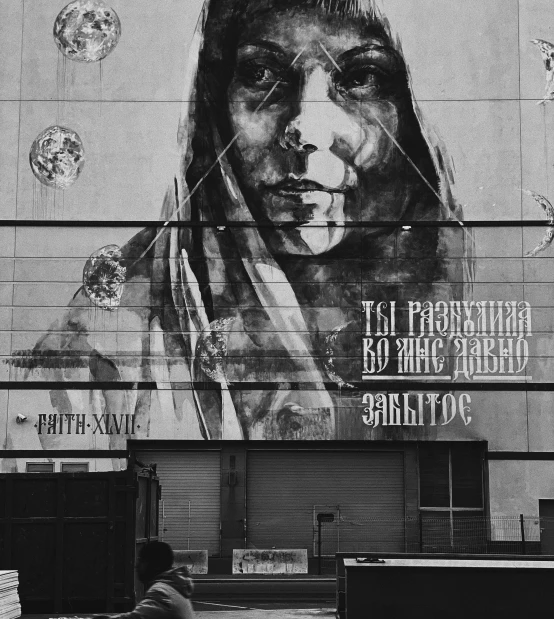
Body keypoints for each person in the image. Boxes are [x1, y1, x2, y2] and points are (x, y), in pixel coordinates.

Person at [12, 0, 474, 449]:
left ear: (419, 119)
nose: (304, 129)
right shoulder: (104, 343)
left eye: (362, 78)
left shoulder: (474, 303)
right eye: (261, 75)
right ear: (214, 103)